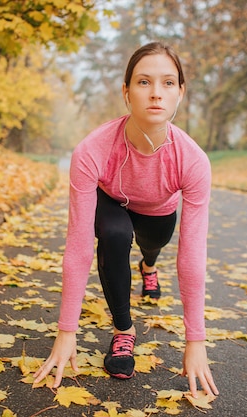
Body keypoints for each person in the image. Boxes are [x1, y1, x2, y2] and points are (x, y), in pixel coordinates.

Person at [33, 41, 219, 398]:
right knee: (116, 235)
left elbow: (192, 256)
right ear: (126, 91)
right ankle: (123, 330)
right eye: (144, 82)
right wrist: (66, 332)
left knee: (152, 246)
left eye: (168, 83)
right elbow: (78, 249)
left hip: (158, 214)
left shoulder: (193, 161)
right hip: (113, 202)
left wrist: (196, 341)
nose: (156, 93)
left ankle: (148, 267)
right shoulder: (92, 150)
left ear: (180, 93)